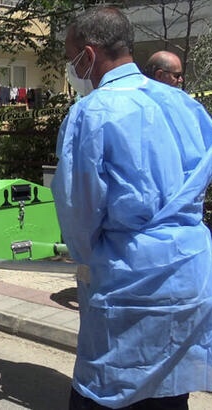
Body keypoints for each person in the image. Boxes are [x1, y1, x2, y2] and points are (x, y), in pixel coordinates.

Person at [52, 6, 212, 409]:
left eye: (71, 56)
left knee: (107, 392)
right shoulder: (185, 105)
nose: (70, 67)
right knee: (171, 393)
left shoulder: (91, 113)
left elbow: (78, 214)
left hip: (130, 279)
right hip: (192, 269)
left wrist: (89, 261)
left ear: (88, 55)